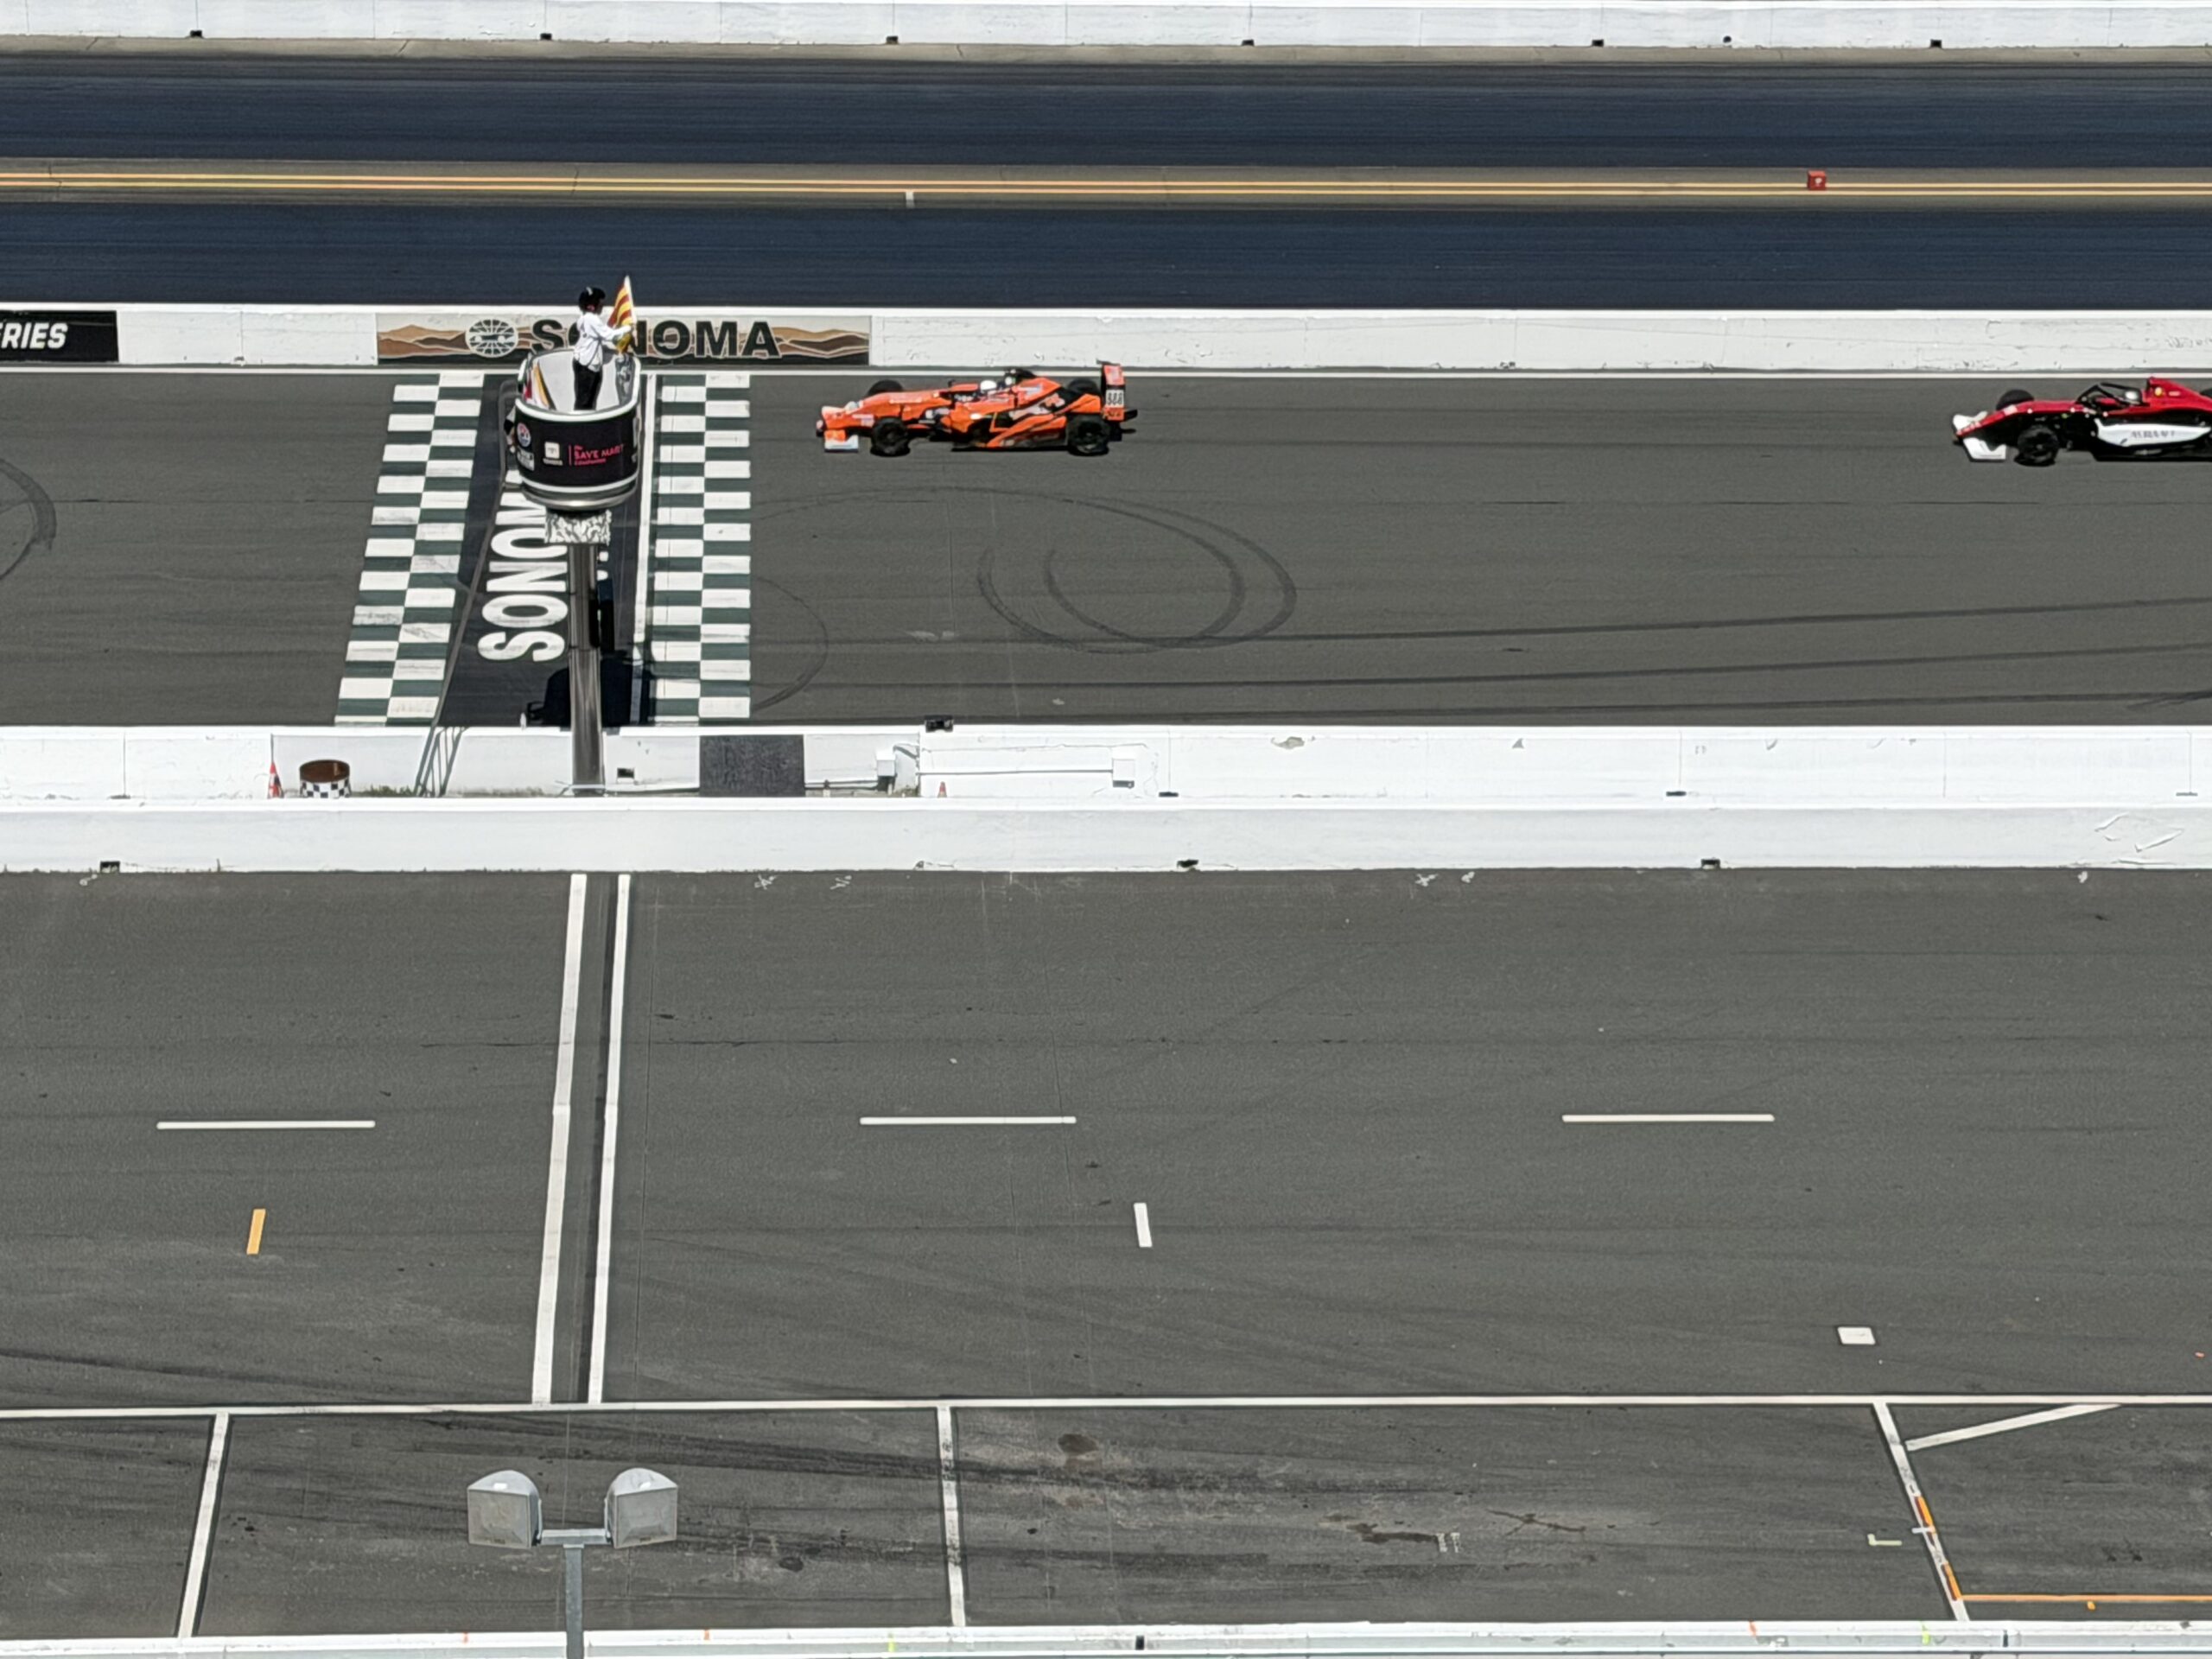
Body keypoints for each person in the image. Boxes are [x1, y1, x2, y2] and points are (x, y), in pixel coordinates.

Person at [570, 286, 631, 411]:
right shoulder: (591, 320)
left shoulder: (583, 320)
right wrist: (627, 328)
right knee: (584, 400)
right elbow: (608, 335)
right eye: (599, 303)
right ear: (592, 306)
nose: (601, 306)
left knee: (588, 398)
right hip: (587, 366)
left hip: (587, 364)